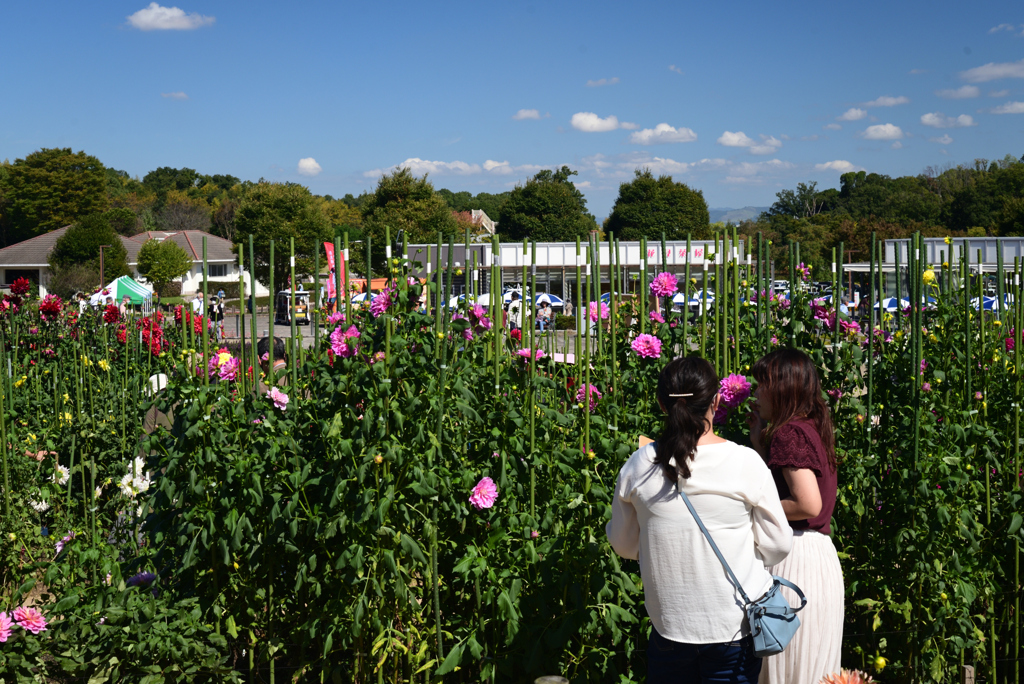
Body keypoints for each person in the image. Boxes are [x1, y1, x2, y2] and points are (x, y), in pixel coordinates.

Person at [607, 356, 792, 684]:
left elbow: (622, 544)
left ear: (662, 404)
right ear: (716, 401)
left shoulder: (640, 464)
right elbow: (778, 545)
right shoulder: (744, 462)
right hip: (731, 628)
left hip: (669, 626)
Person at [748, 348, 843, 684]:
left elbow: (807, 504)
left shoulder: (789, 433)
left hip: (795, 561)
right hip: (819, 557)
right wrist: (761, 447)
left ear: (782, 388)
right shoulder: (811, 427)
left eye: (763, 385)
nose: (757, 393)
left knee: (785, 668)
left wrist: (753, 507)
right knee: (810, 668)